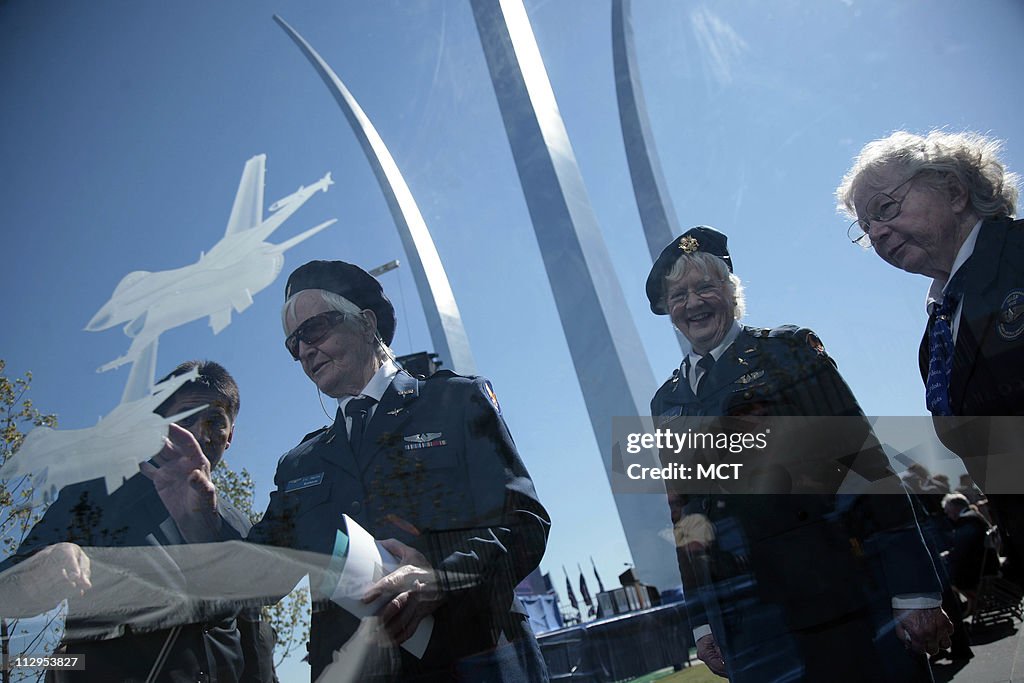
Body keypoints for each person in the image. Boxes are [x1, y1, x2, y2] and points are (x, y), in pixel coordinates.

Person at [156, 261, 551, 681]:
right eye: (294, 344)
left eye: (314, 330)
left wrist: (441, 578)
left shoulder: (455, 402)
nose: (304, 350)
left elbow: (525, 524)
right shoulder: (299, 464)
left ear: (365, 323)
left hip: (477, 662)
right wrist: (201, 518)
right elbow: (259, 579)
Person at [646, 226, 951, 682]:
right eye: (679, 294)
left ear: (731, 292)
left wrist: (915, 590)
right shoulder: (666, 403)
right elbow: (686, 519)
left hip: (842, 601)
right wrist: (704, 621)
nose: (693, 303)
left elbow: (866, 465)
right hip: (751, 627)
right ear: (668, 310)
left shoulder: (787, 352)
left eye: (706, 286)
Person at [0, 360, 276, 682]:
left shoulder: (240, 527)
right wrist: (36, 572)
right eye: (185, 417)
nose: (201, 432)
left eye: (216, 420)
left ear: (229, 437)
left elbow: (253, 634)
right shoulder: (97, 495)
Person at [836, 129, 1024, 583]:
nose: (877, 232)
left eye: (885, 207)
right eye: (865, 228)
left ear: (955, 192)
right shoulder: (934, 339)